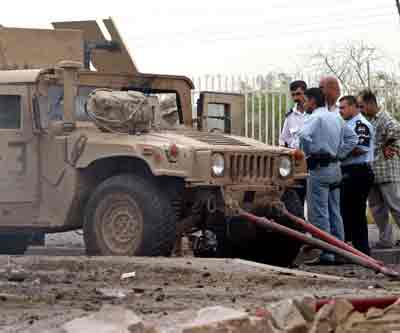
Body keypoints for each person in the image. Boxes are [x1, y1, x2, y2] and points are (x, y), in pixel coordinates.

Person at [299, 88, 358, 264]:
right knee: (335, 211)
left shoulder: (315, 117)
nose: (305, 104)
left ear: (313, 101)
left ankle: (327, 254)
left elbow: (303, 135)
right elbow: (353, 139)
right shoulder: (335, 117)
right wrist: (339, 154)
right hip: (335, 169)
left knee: (319, 213)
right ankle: (340, 252)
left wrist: (307, 154)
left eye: (306, 101)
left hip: (319, 169)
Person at [358, 89, 400, 248]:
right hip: (373, 171)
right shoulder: (368, 120)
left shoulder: (383, 117)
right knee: (376, 208)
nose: (360, 110)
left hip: (387, 170)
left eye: (362, 106)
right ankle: (386, 239)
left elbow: (397, 129)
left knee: (396, 206)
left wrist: (387, 145)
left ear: (370, 103)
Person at [339, 95, 374, 255]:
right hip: (349, 171)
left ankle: (362, 250)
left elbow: (360, 148)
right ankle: (351, 248)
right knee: (347, 211)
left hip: (358, 171)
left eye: (343, 107)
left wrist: (338, 153)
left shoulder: (360, 125)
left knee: (356, 212)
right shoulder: (348, 124)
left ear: (353, 107)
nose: (340, 111)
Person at [279, 80, 307, 205]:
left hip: (312, 161)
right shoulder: (290, 117)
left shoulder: (313, 114)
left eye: (299, 94)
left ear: (305, 93)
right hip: (296, 162)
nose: (296, 98)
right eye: (293, 95)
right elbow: (283, 140)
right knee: (297, 199)